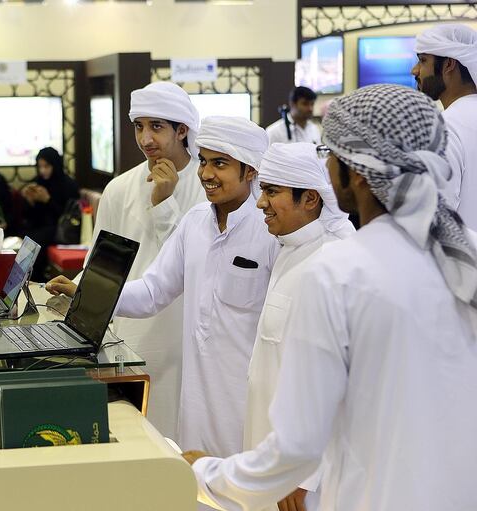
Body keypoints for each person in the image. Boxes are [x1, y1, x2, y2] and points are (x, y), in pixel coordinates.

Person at [186, 84, 477, 511]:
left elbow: (296, 447)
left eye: (333, 155)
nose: (327, 167)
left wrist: (204, 472)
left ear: (358, 171)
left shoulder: (341, 272)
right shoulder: (466, 252)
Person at [112, 116, 279, 457]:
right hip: (197, 403)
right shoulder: (195, 222)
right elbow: (153, 292)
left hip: (247, 405)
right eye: (203, 161)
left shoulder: (270, 232)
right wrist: (87, 296)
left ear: (251, 171)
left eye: (220, 163)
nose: (206, 174)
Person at [47, 81, 206, 439]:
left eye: (157, 127)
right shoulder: (120, 188)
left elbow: (191, 264)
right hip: (128, 333)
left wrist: (165, 201)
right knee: (136, 438)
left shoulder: (205, 186)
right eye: (139, 127)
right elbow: (99, 264)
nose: (146, 139)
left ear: (182, 130)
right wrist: (79, 306)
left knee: (180, 440)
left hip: (182, 334)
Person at [246, 142, 354, 511]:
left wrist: (304, 475)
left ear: (310, 199)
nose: (261, 202)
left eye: (272, 191)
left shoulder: (331, 263)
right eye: (263, 190)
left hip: (303, 481)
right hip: (272, 462)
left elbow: (336, 386)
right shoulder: (289, 249)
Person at [413, 24, 477, 227]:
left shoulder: (444, 127)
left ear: (449, 64)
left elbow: (435, 221)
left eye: (423, 61)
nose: (414, 70)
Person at [19, 146, 79, 281]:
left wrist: (48, 200)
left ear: (55, 165)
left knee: (36, 240)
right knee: (25, 235)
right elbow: (29, 215)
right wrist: (30, 201)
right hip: (39, 227)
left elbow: (67, 216)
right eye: (40, 167)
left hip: (59, 230)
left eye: (46, 166)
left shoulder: (68, 185)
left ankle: (35, 279)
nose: (43, 171)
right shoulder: (38, 182)